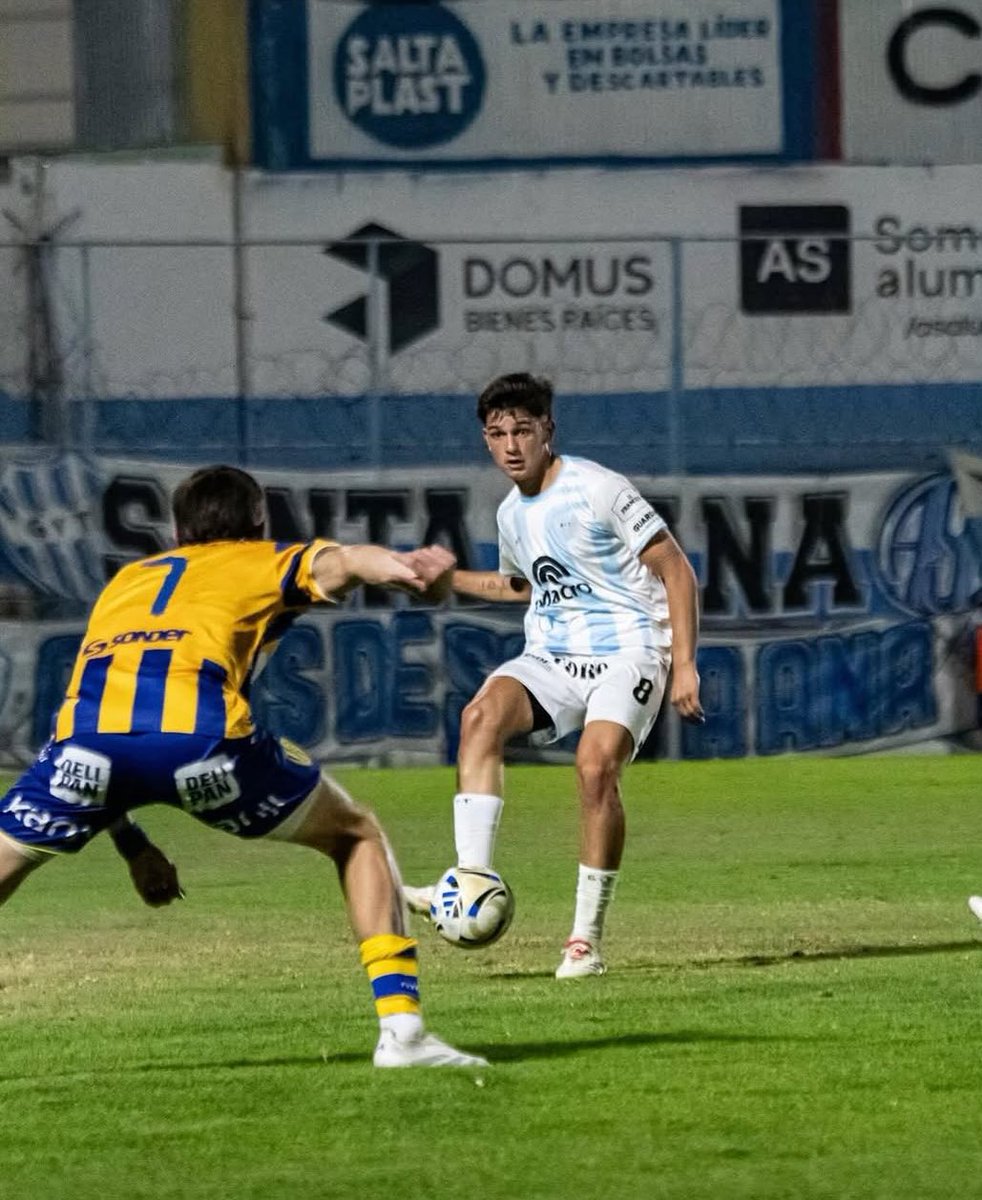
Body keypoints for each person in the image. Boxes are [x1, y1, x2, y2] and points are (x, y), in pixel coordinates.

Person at [0, 464, 485, 1069]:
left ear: (178, 531)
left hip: (83, 752)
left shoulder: (127, 579)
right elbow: (354, 562)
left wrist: (132, 844)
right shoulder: (262, 561)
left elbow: (123, 727)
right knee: (355, 834)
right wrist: (414, 570)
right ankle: (403, 1035)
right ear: (259, 522)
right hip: (204, 748)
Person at [404, 373, 704, 977]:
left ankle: (584, 942)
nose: (511, 444)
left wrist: (686, 665)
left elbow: (676, 569)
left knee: (595, 768)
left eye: (523, 430)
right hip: (554, 655)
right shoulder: (512, 511)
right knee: (479, 716)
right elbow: (523, 584)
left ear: (548, 431)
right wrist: (450, 581)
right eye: (497, 434)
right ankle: (470, 878)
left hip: (631, 651)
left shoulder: (599, 489)